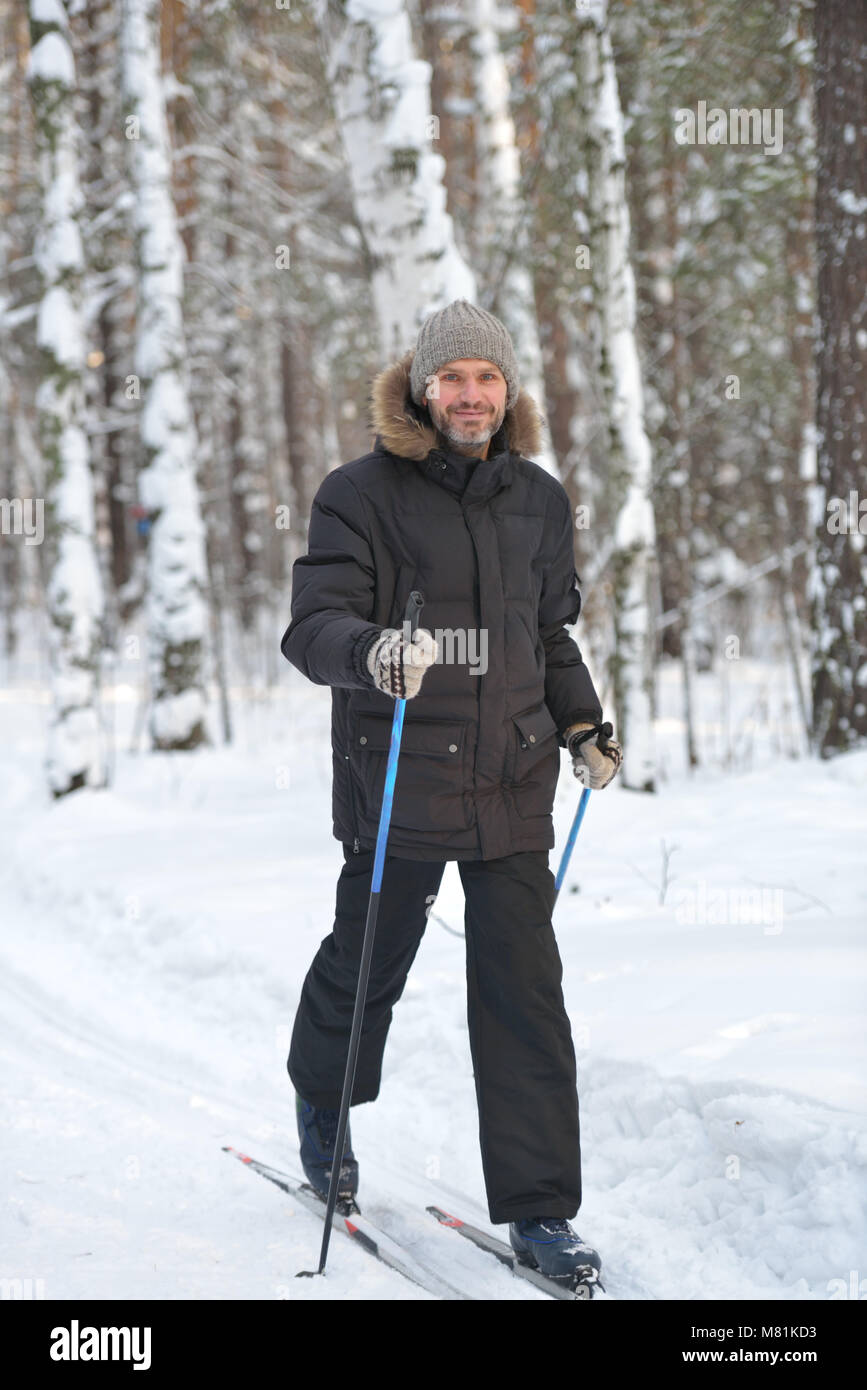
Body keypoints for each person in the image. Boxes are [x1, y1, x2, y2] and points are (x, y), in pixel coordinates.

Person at [280, 299, 622, 1288]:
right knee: (369, 959)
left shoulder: (541, 501)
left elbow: (548, 635)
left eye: (487, 378)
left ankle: (542, 1209)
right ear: (423, 389)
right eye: (453, 378)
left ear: (507, 391)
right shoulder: (361, 494)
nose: (471, 396)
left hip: (514, 777)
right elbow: (312, 629)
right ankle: (322, 1102)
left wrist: (583, 723)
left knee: (524, 992)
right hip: (399, 773)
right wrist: (373, 650)